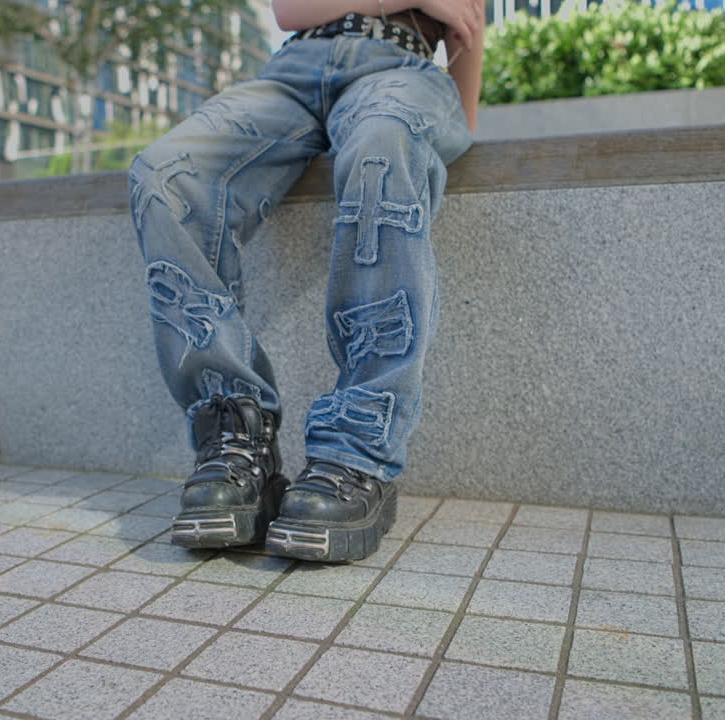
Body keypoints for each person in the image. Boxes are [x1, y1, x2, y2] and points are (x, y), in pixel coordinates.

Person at [128, 0, 484, 562]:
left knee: (381, 149)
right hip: (291, 72)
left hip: (402, 69)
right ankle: (235, 436)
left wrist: (455, 123)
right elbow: (291, 8)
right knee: (164, 173)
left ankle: (357, 451)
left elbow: (470, 27)